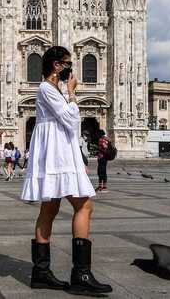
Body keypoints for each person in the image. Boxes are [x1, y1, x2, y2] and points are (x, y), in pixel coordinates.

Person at [21, 46, 111, 295]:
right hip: (57, 155)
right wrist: (72, 94)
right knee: (84, 205)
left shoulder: (53, 90)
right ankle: (80, 274)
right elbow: (72, 121)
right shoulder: (47, 89)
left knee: (49, 208)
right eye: (68, 63)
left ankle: (41, 273)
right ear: (56, 65)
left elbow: (67, 125)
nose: (72, 68)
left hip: (59, 152)